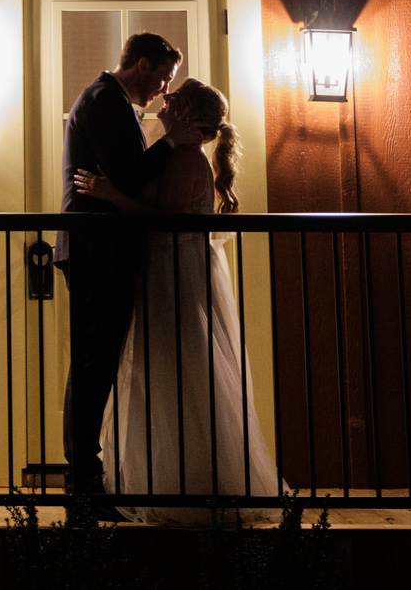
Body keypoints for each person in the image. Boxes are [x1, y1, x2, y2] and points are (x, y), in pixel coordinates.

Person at [74, 77, 284, 526]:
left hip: (173, 273)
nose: (165, 99)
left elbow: (166, 220)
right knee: (169, 373)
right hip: (166, 271)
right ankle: (168, 478)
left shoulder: (187, 157)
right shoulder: (180, 152)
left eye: (176, 97)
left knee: (178, 372)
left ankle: (187, 485)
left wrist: (111, 195)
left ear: (188, 115)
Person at [56, 32, 181, 505]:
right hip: (97, 248)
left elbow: (123, 176)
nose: (163, 91)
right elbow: (129, 174)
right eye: (163, 78)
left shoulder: (110, 101)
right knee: (94, 363)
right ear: (143, 65)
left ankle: (85, 472)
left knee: (95, 362)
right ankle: (84, 478)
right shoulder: (107, 100)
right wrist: (171, 140)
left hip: (98, 247)